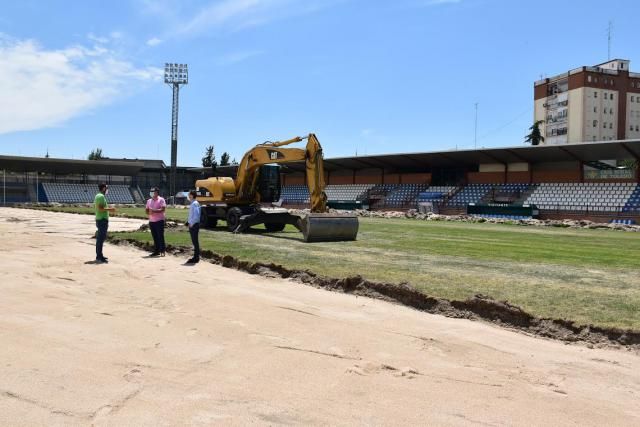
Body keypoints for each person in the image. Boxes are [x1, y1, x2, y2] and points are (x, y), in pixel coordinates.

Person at [94, 183, 116, 263]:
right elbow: (100, 208)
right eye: (106, 188)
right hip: (102, 220)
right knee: (100, 239)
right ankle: (99, 256)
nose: (107, 190)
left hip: (100, 219)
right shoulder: (101, 196)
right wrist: (110, 209)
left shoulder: (98, 196)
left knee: (100, 239)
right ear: (103, 188)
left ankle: (100, 255)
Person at [146, 187, 166, 257]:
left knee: (160, 236)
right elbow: (147, 210)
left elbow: (163, 209)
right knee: (155, 237)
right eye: (151, 191)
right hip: (152, 221)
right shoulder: (149, 201)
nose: (152, 192)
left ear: (157, 192)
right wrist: (149, 212)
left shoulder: (161, 199)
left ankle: (162, 250)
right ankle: (156, 251)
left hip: (159, 220)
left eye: (153, 191)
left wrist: (154, 211)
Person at [186, 190, 201, 264]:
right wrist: (188, 222)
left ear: (192, 195)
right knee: (195, 242)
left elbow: (196, 216)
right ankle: (196, 256)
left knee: (195, 242)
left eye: (189, 194)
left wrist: (191, 223)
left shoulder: (194, 204)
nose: (188, 196)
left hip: (194, 225)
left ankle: (196, 257)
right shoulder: (194, 203)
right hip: (193, 224)